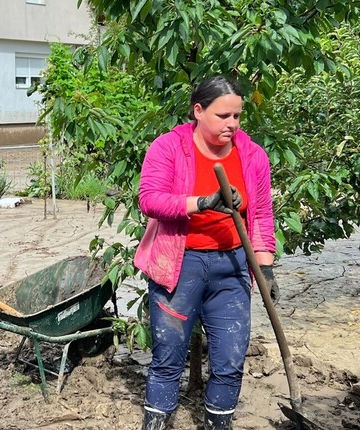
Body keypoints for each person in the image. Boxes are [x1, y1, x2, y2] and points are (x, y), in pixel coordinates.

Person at [134, 75, 278, 430]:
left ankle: (219, 425)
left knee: (230, 358)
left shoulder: (253, 155)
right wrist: (200, 203)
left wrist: (266, 267)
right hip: (181, 266)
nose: (232, 124)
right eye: (223, 116)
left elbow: (261, 214)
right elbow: (149, 200)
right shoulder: (169, 147)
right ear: (198, 111)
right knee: (168, 356)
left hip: (232, 266)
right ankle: (156, 423)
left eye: (237, 116)